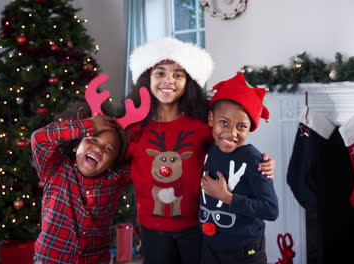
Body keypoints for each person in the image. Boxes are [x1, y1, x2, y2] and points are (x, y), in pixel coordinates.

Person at [126, 37, 275, 264]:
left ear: (189, 81)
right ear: (147, 77)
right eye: (160, 73)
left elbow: (230, 144)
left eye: (178, 74)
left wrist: (263, 164)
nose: (169, 80)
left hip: (196, 226)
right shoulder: (133, 127)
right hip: (152, 227)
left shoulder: (201, 125)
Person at [31, 105, 129, 263]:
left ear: (112, 163)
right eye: (92, 139)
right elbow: (39, 138)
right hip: (51, 258)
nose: (97, 148)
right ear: (77, 146)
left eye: (108, 149)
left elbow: (142, 157)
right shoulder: (56, 169)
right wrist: (88, 125)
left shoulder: (114, 180)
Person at [199, 72, 279, 264]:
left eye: (241, 126)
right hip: (210, 247)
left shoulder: (254, 160)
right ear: (211, 119)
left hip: (245, 252)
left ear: (250, 128)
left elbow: (271, 210)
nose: (231, 133)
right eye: (224, 122)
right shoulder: (208, 148)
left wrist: (227, 197)